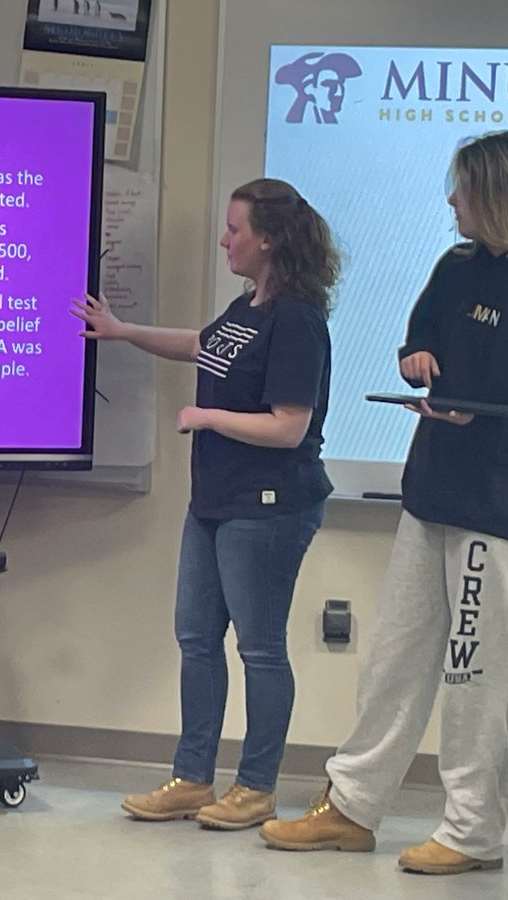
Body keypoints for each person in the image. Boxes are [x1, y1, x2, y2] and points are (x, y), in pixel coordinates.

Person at [261, 131, 508, 875]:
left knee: (475, 675)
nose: (450, 201)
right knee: (394, 658)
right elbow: (421, 337)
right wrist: (414, 359)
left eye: (463, 189)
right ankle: (351, 807)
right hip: (432, 492)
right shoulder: (455, 266)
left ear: (501, 197)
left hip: (499, 514)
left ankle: (473, 833)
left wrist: (484, 425)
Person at [72, 178, 336, 830]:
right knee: (196, 639)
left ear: (268, 239)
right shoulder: (247, 305)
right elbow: (201, 344)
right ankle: (192, 777)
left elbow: (289, 427)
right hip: (214, 501)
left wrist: (209, 415)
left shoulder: (297, 320)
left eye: (235, 230)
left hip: (270, 506)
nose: (225, 240)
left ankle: (256, 788)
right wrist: (122, 330)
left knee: (260, 649)